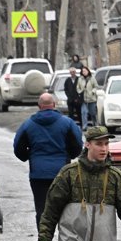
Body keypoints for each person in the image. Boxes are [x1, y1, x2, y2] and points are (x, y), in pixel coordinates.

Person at [13, 92, 83, 227]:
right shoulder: (67, 123)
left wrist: (29, 157)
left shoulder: (28, 125)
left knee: (42, 210)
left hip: (38, 174)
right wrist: (68, 156)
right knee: (64, 209)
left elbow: (18, 148)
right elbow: (77, 145)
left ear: (39, 106)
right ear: (54, 105)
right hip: (62, 173)